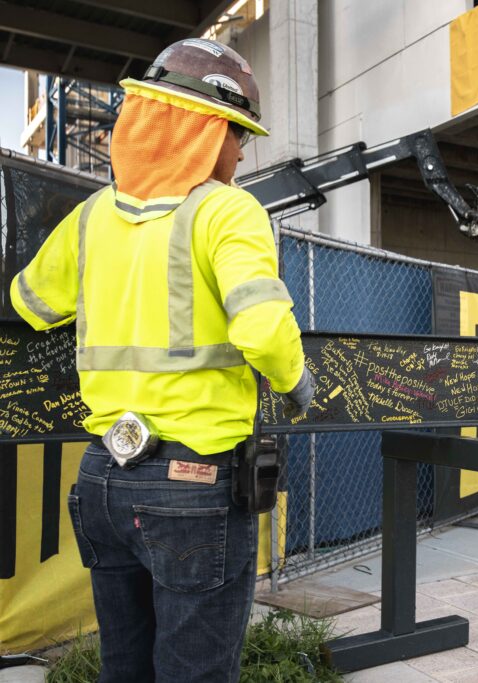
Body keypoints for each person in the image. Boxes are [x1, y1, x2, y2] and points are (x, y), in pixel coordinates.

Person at [10, 39, 313, 682]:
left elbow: (29, 301)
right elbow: (263, 330)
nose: (240, 151)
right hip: (194, 484)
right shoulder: (227, 210)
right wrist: (297, 381)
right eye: (237, 134)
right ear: (204, 132)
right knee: (195, 672)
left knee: (125, 667)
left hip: (103, 477)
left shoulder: (93, 217)